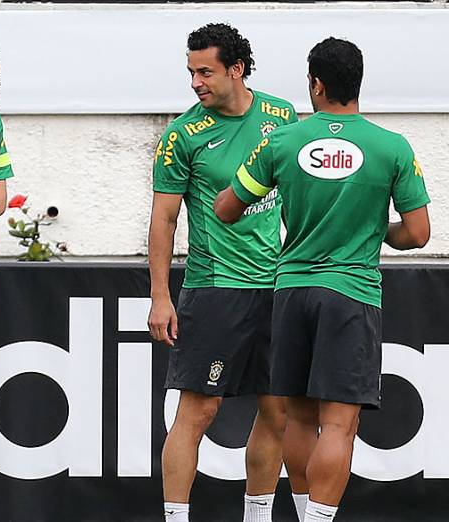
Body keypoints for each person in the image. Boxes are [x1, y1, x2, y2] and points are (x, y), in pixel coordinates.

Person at [213, 37, 430, 522]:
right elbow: (417, 233)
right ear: (357, 84)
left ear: (316, 83)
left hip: (290, 290)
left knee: (299, 418)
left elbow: (225, 208)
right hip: (350, 294)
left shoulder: (283, 141)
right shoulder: (391, 147)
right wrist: (378, 230)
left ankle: (302, 511)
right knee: (339, 423)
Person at [147, 23, 297, 522]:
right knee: (199, 412)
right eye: (191, 72)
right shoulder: (182, 135)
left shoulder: (282, 115)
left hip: (276, 288)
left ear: (236, 69)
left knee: (277, 415)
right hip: (215, 289)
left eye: (205, 71)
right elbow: (164, 219)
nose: (195, 82)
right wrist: (160, 297)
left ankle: (257, 516)